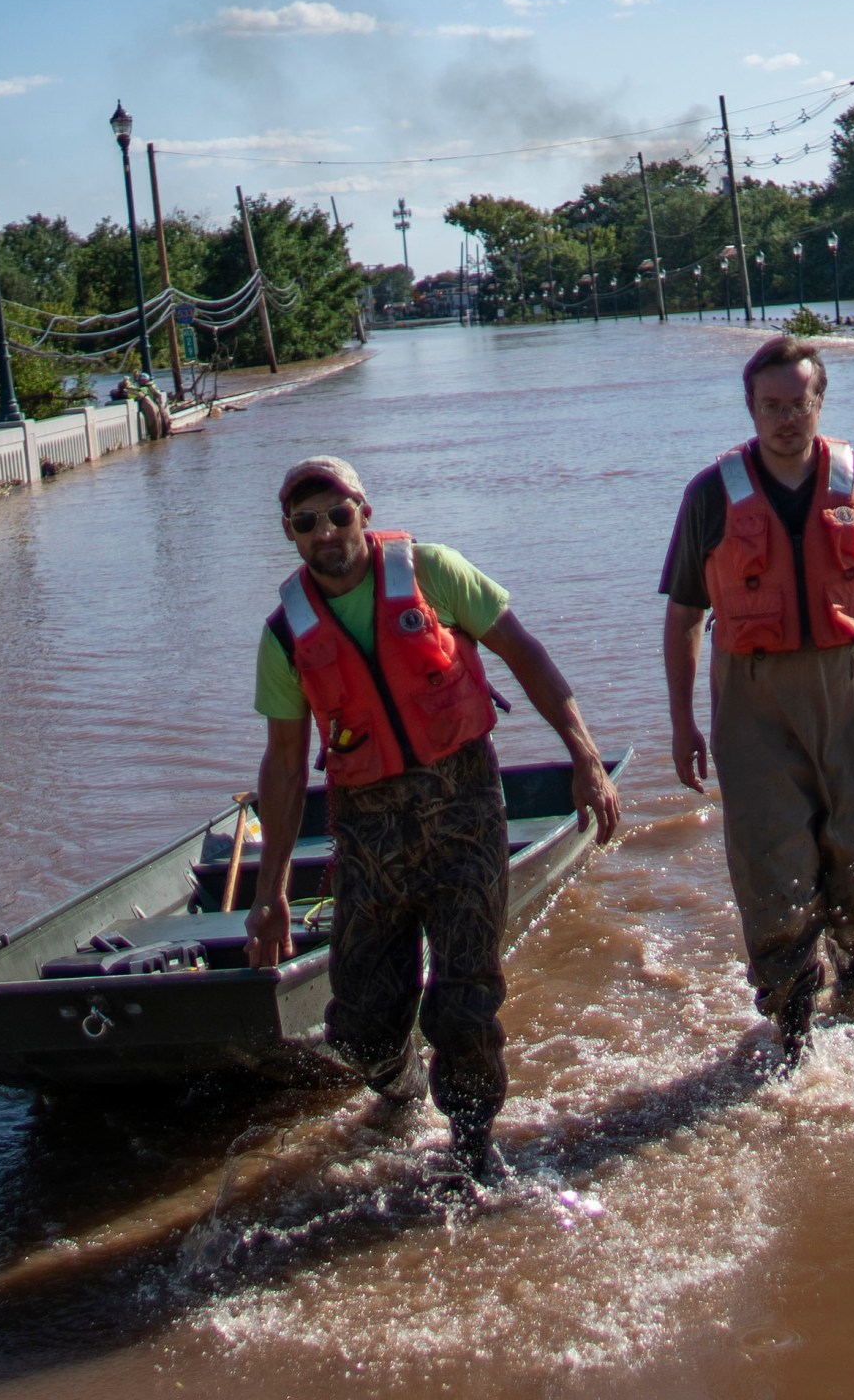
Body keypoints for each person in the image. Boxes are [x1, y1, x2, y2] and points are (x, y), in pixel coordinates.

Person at [248, 456, 619, 1179]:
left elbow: (524, 652)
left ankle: (473, 1153)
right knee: (358, 1029)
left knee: (463, 1009)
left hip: (465, 818)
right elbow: (286, 768)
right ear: (291, 535)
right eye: (306, 522)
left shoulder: (434, 572)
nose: (326, 533)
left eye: (338, 514)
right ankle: (402, 1087)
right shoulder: (285, 635)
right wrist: (269, 896)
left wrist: (585, 755)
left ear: (363, 508)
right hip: (371, 838)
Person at [659, 335, 854, 1066]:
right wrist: (683, 721)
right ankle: (792, 1026)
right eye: (771, 406)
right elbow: (686, 615)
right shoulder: (710, 495)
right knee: (771, 872)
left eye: (799, 403)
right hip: (753, 704)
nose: (786, 419)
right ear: (751, 409)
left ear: (820, 402)